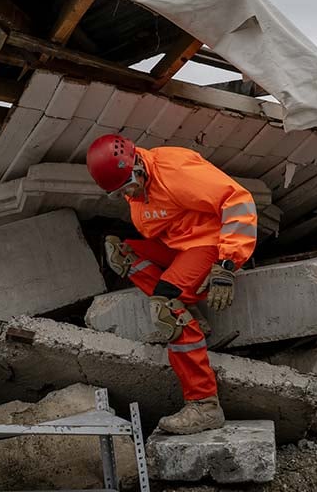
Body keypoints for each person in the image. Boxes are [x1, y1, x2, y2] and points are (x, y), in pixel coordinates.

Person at [85, 133, 258, 434]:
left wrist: (227, 263)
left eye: (129, 185)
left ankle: (204, 404)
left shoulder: (173, 172)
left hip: (209, 245)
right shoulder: (137, 186)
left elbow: (238, 201)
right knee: (119, 249)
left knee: (165, 307)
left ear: (137, 165)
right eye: (120, 192)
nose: (129, 194)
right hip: (180, 246)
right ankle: (188, 313)